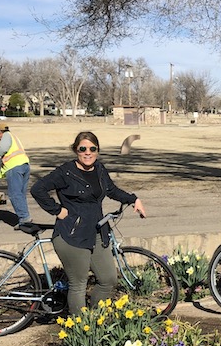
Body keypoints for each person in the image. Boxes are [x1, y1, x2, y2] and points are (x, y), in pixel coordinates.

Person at [31, 132, 146, 315]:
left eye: (92, 149)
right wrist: (57, 211)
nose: (87, 153)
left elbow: (112, 190)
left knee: (108, 279)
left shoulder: (99, 169)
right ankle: (80, 327)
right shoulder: (66, 172)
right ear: (76, 150)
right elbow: (38, 189)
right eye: (82, 149)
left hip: (97, 232)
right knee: (78, 284)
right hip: (71, 234)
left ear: (98, 151)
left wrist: (134, 199)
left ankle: (94, 321)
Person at [0, 122, 31, 228]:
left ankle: (24, 219)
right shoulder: (14, 137)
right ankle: (25, 218)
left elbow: (3, 148)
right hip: (24, 165)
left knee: (14, 194)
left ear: (0, 132)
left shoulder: (6, 136)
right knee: (21, 194)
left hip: (14, 167)